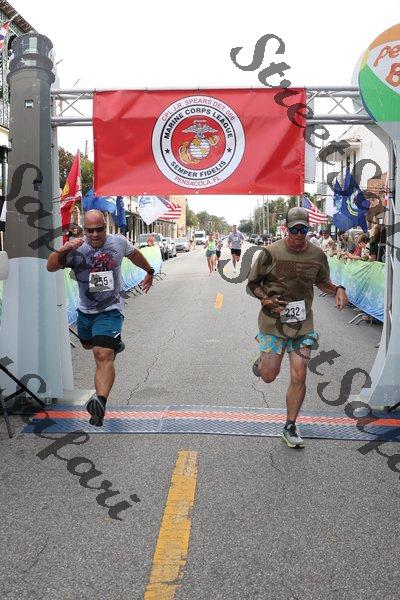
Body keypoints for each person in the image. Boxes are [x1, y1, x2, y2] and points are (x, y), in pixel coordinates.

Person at [247, 207, 348, 449]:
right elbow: (252, 284)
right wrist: (265, 299)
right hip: (273, 323)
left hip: (303, 324)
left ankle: (290, 426)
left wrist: (338, 289)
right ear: (287, 229)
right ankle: (261, 364)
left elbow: (322, 282)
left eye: (304, 229)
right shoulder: (271, 253)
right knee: (269, 376)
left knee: (300, 374)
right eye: (295, 230)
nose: (300, 234)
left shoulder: (317, 255)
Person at [46, 209, 155, 427]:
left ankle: (100, 403)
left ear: (105, 227)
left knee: (102, 354)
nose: (95, 234)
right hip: (85, 312)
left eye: (99, 229)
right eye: (90, 230)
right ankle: (113, 343)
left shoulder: (118, 242)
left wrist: (149, 271)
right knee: (89, 345)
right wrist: (64, 249)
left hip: (110, 309)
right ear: (84, 230)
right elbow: (50, 266)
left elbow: (134, 254)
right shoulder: (76, 248)